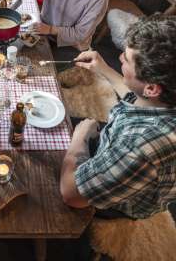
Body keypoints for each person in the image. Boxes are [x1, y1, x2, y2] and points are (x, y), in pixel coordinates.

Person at [60, 14, 176, 222]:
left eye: (127, 59)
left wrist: (80, 137)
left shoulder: (139, 146)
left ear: (151, 88)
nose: (120, 57)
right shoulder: (163, 97)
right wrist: (103, 68)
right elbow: (137, 97)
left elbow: (71, 194)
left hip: (119, 203)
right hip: (119, 151)